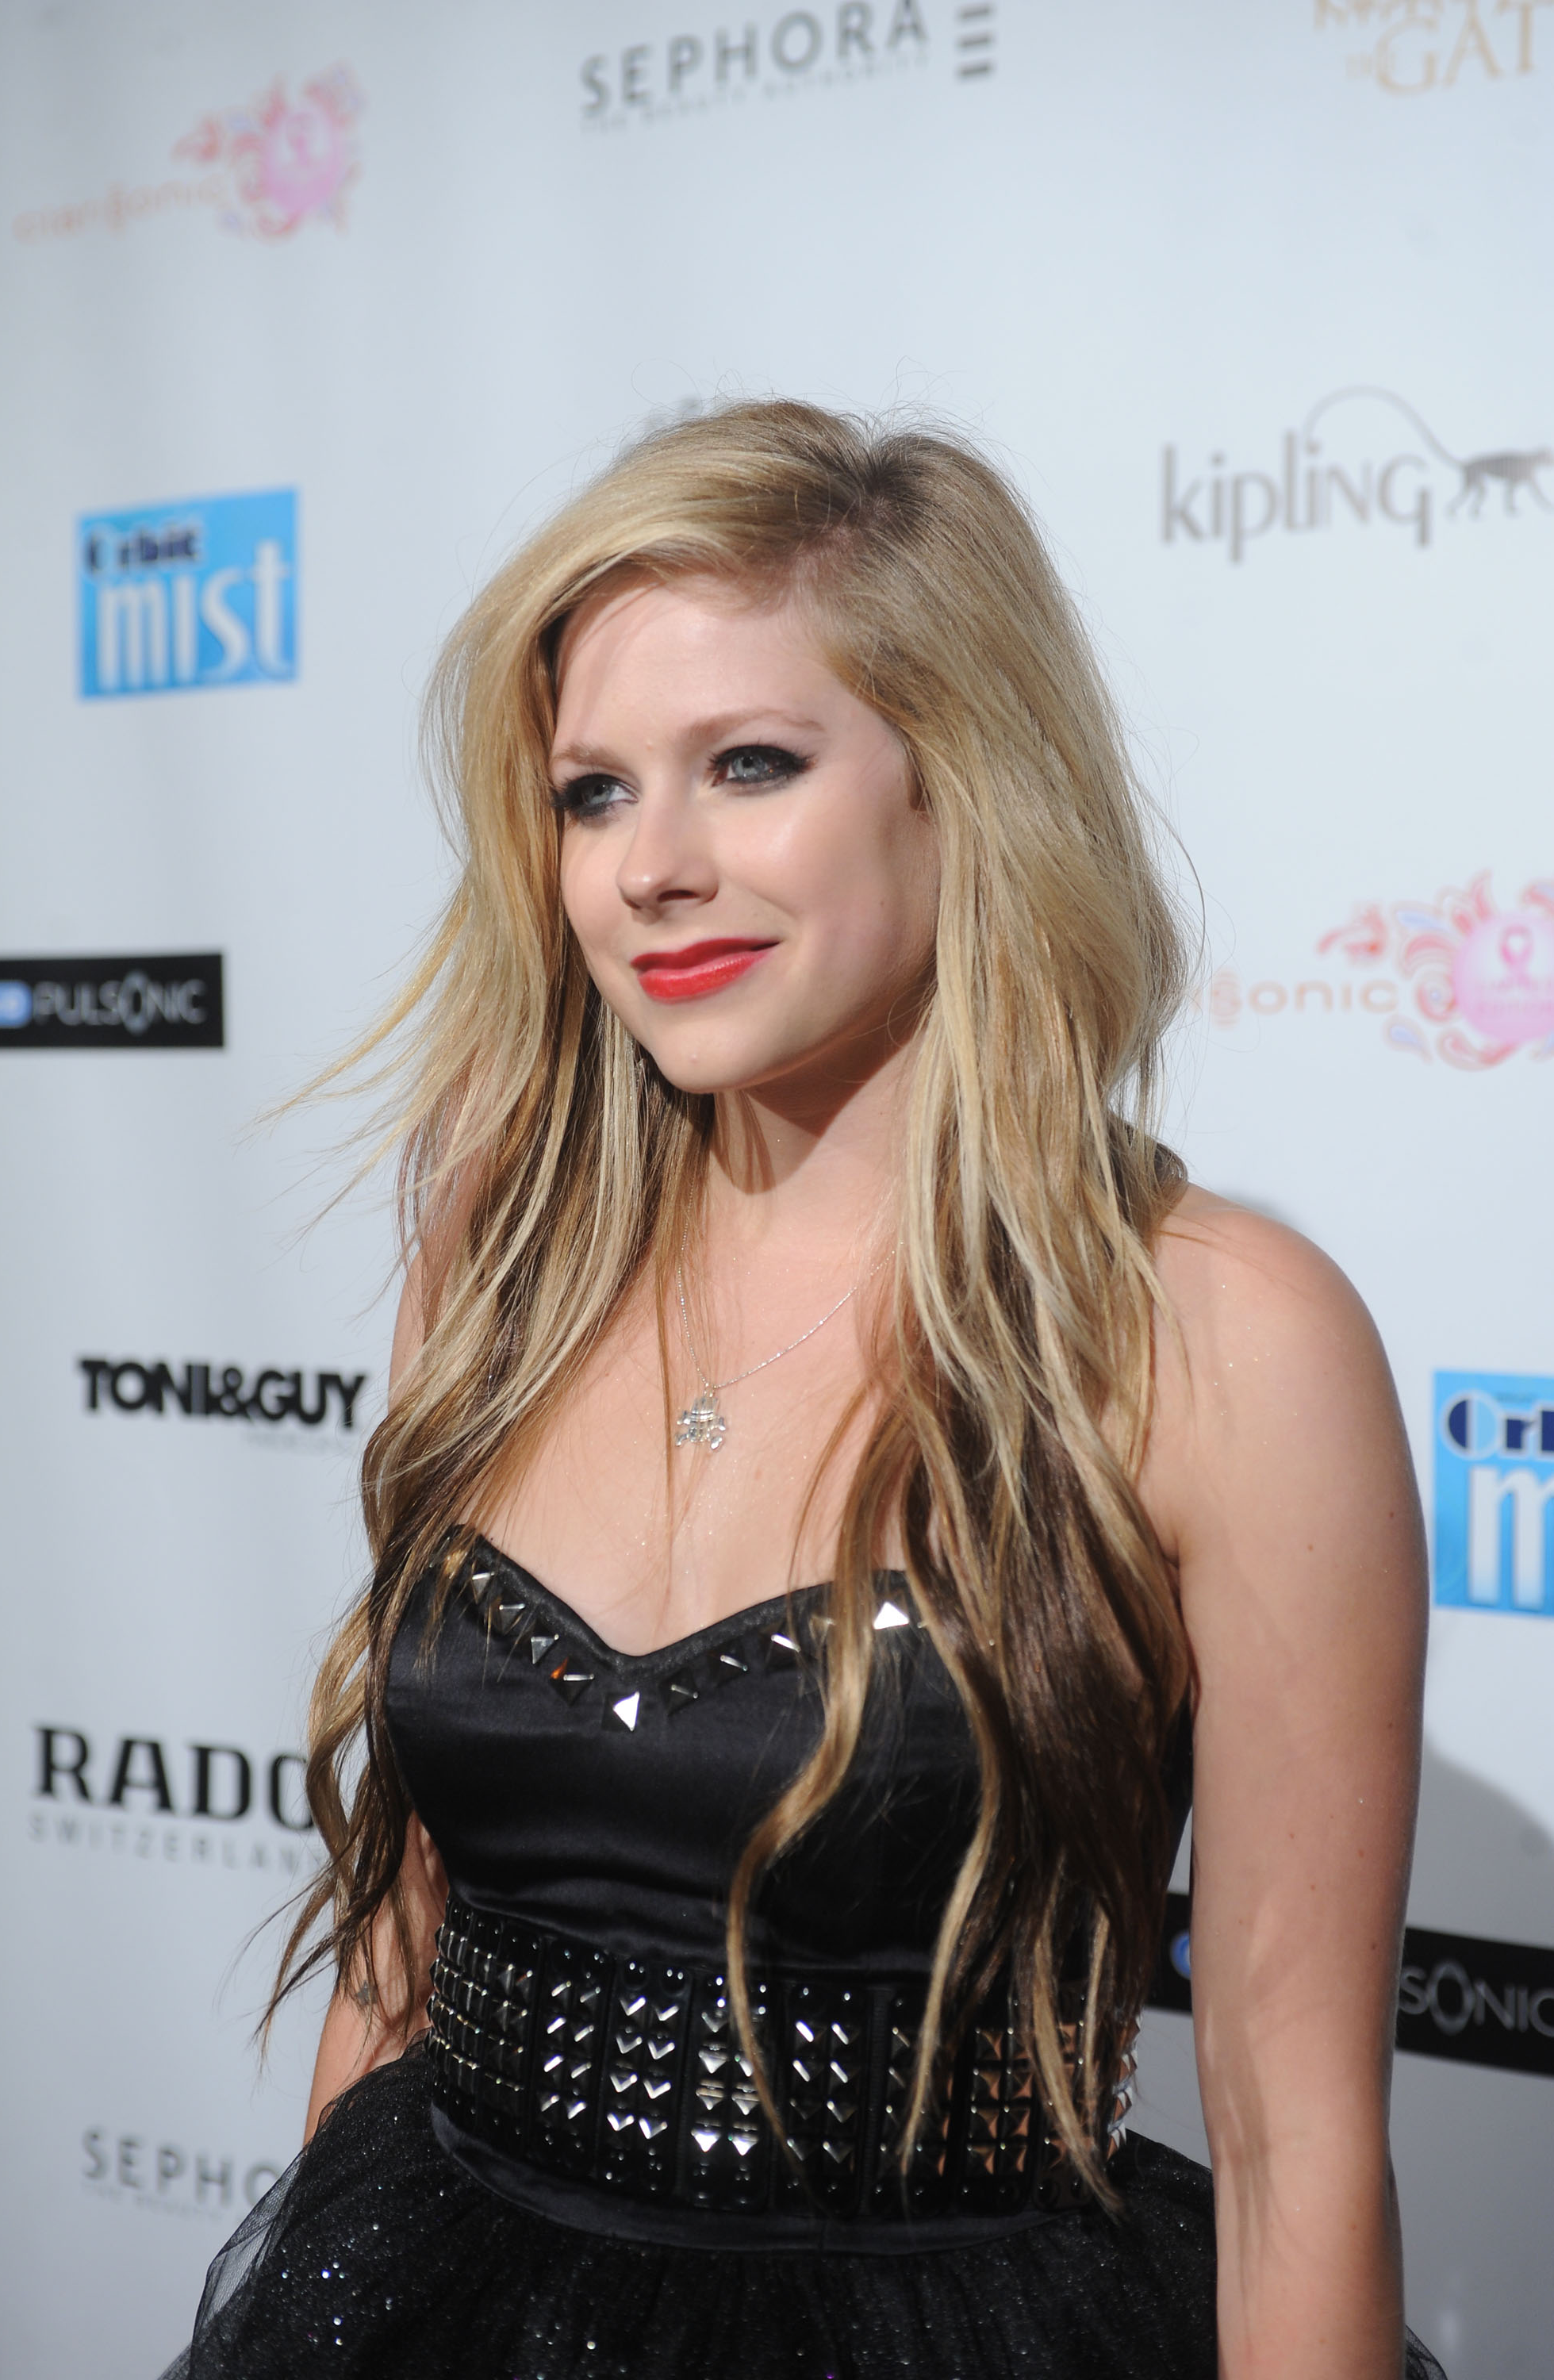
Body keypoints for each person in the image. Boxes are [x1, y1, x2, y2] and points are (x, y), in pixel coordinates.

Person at [163, 400, 1444, 2379]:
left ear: (963, 780)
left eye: (747, 766)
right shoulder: (505, 1253)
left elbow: (1294, 2150)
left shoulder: (1212, 1337)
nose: (649, 869)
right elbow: (397, 1958)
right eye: (593, 794)